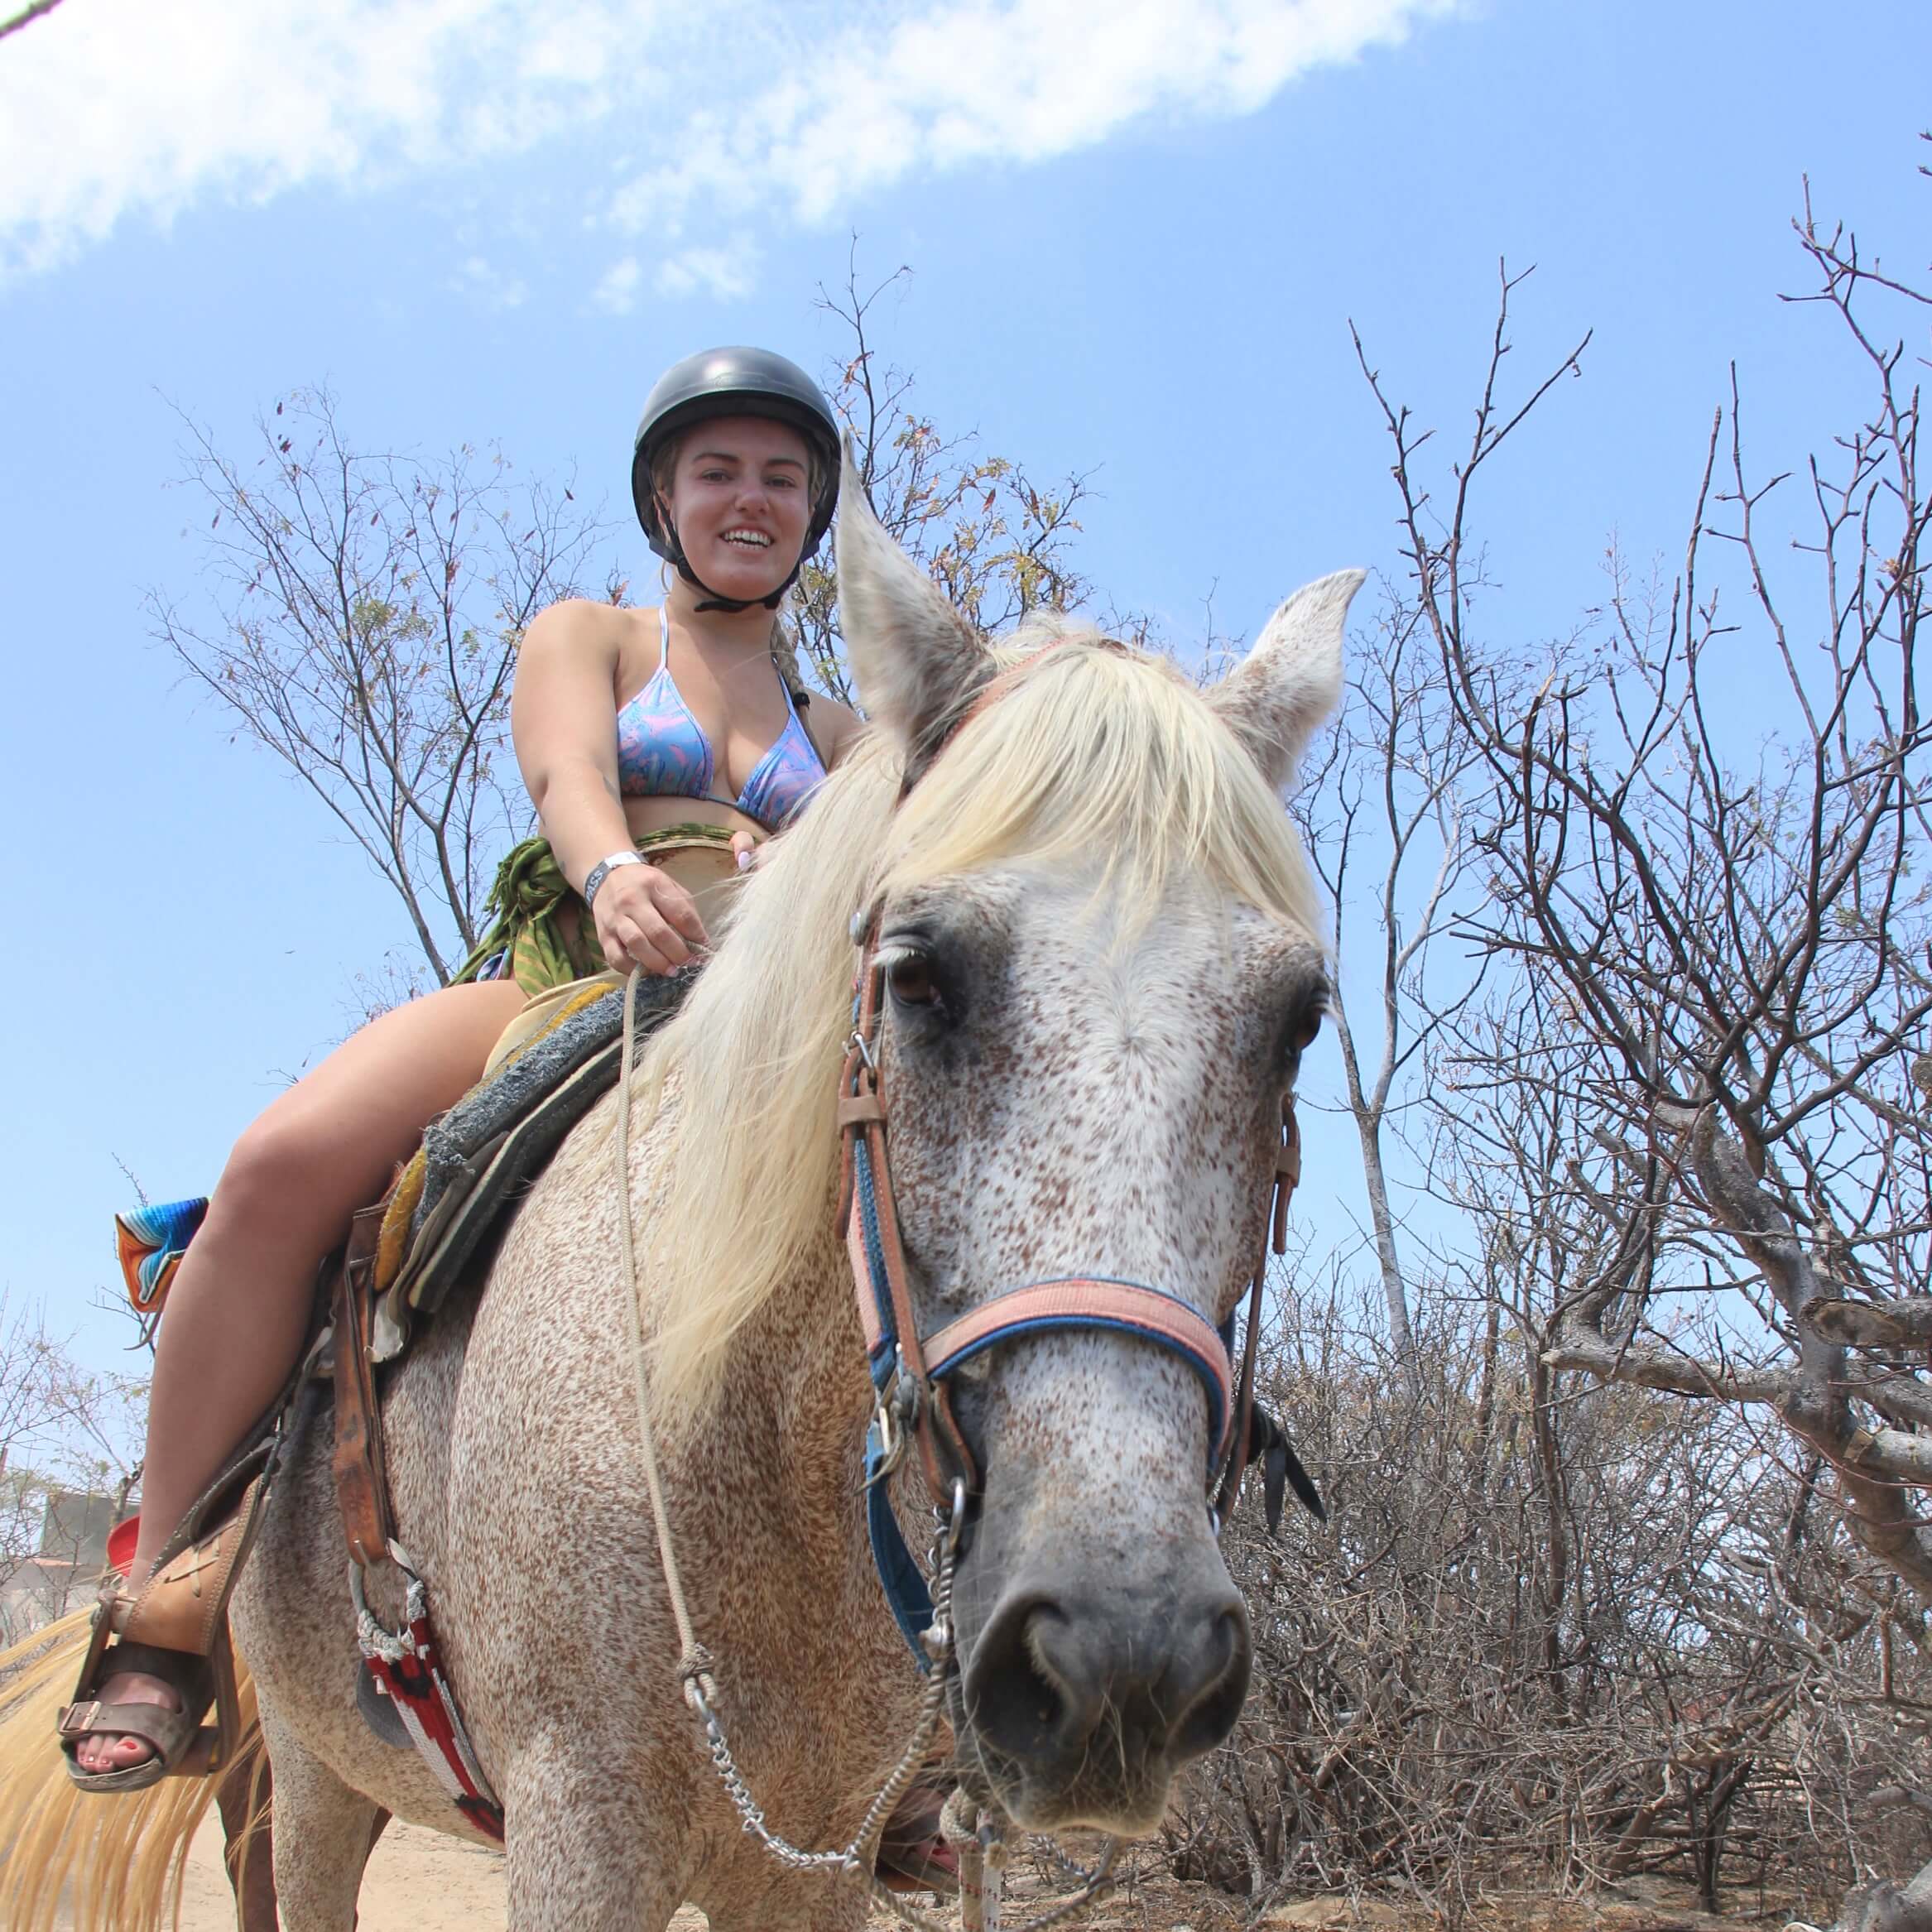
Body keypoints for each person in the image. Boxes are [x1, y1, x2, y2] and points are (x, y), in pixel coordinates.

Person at [63, 346, 864, 1789]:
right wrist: (613, 866)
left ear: (813, 509)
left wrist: (818, 863)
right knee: (279, 1164)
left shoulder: (846, 731)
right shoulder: (596, 636)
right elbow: (566, 769)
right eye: (719, 471)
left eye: (782, 477)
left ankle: (905, 1703)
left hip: (765, 1040)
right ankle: (170, 1594)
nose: (752, 499)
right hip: (571, 983)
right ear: (664, 498)